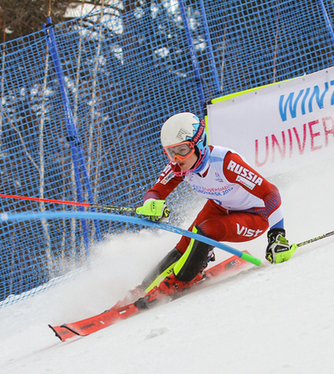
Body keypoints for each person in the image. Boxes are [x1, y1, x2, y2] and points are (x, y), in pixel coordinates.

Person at [120, 112, 296, 307]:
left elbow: (271, 193)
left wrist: (277, 237)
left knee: (207, 230)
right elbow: (156, 192)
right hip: (220, 206)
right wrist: (151, 204)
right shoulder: (179, 167)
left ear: (199, 143)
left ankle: (181, 280)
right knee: (187, 240)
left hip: (255, 215)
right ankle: (144, 286)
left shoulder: (226, 162)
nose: (177, 158)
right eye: (171, 152)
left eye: (182, 150)